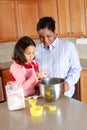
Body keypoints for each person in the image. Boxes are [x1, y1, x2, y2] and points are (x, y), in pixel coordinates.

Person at [35, 16, 82, 98]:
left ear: (54, 32)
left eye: (48, 36)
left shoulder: (68, 46)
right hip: (46, 96)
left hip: (66, 95)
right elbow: (34, 71)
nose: (45, 40)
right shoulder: (37, 50)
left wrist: (68, 83)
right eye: (41, 37)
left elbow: (76, 69)